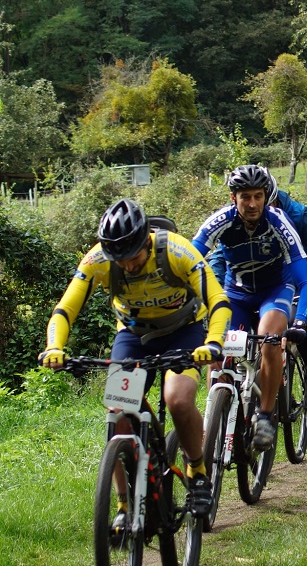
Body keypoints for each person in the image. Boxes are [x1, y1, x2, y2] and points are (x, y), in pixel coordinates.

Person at [39, 199, 232, 524]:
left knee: (177, 399)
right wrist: (54, 346)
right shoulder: (98, 259)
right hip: (134, 336)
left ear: (147, 241)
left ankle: (198, 472)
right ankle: (124, 505)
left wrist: (213, 342)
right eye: (120, 259)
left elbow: (218, 300)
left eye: (133, 257)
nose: (127, 266)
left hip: (183, 331)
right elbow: (65, 309)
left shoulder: (177, 251)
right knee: (118, 410)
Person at [192, 164, 307, 450]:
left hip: (275, 291)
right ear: (233, 197)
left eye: (258, 196)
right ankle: (216, 415)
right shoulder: (221, 221)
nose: (252, 204)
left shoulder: (278, 222)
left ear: (265, 197)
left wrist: (300, 320)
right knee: (218, 354)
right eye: (245, 197)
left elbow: (305, 281)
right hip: (236, 294)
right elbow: (189, 259)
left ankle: (265, 415)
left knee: (269, 340)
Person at [209, 171, 307, 411]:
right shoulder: (235, 219)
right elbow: (220, 256)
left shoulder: (297, 215)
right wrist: (217, 287)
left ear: (271, 198)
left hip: (292, 277)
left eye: (263, 200)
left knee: (297, 322)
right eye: (248, 199)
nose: (255, 207)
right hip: (247, 285)